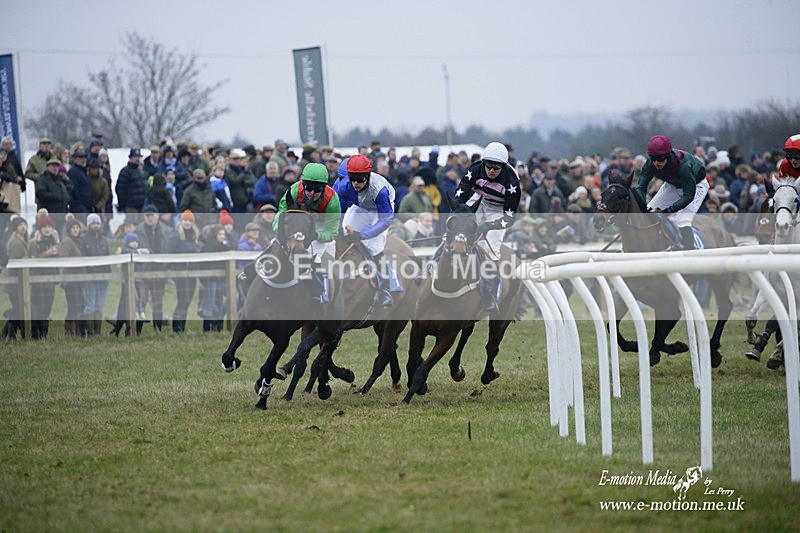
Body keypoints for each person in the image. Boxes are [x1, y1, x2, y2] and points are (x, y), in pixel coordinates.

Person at [454, 142, 522, 312]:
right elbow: (460, 197)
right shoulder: (475, 169)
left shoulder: (512, 181)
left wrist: (488, 226)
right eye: (489, 166)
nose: (491, 170)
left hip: (499, 210)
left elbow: (509, 219)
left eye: (496, 167)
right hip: (479, 200)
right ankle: (432, 267)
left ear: (503, 167)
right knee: (455, 232)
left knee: (491, 250)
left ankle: (490, 295)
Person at [333, 154, 396, 307]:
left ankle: (385, 289)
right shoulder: (343, 185)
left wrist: (362, 235)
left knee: (374, 247)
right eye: (351, 179)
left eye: (360, 179)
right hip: (361, 206)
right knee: (343, 233)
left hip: (381, 211)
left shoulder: (380, 191)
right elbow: (337, 212)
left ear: (367, 176)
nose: (355, 183)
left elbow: (386, 220)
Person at [274, 162, 341, 300]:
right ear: (303, 185)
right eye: (309, 188)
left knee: (314, 255)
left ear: (324, 188)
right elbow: (279, 216)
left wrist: (315, 235)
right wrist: (281, 233)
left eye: (317, 190)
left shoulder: (332, 200)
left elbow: (332, 232)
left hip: (319, 228)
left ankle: (318, 294)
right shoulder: (293, 191)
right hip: (295, 225)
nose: (311, 193)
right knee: (274, 244)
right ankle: (253, 272)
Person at [635, 135, 709, 250]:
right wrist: (640, 207)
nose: (656, 163)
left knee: (683, 220)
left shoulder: (684, 166)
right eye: (653, 159)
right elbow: (641, 187)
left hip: (696, 186)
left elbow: (688, 196)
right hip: (673, 185)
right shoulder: (650, 164)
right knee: (648, 212)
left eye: (660, 159)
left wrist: (668, 211)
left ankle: (690, 252)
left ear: (668, 155)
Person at [165, 210, 201, 333]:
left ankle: (181, 327)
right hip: (180, 273)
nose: (187, 223)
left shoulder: (194, 236)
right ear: (181, 221)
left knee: (187, 301)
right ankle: (177, 328)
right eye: (185, 220)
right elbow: (169, 252)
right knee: (182, 300)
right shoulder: (176, 235)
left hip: (192, 274)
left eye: (190, 220)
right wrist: (171, 271)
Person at [27, 214, 60, 339]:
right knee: (37, 310)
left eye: (50, 226)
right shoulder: (34, 243)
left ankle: (44, 335)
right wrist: (47, 253)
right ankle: (36, 335)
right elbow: (32, 261)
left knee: (47, 309)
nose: (47, 229)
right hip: (37, 283)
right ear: (40, 229)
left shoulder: (55, 241)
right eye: (45, 226)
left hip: (51, 281)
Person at [81, 213, 111, 336]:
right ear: (89, 225)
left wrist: (108, 275)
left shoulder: (104, 239)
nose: (96, 225)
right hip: (90, 277)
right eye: (93, 223)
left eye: (98, 223)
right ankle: (90, 331)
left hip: (103, 277)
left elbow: (107, 257)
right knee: (90, 306)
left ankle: (97, 331)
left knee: (99, 305)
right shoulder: (83, 239)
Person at [1, 216, 29, 340]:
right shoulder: (17, 242)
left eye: (25, 224)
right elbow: (14, 265)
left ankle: (8, 333)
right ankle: (8, 333)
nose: (23, 227)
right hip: (16, 282)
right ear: (16, 227)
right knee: (18, 309)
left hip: (17, 282)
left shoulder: (21, 239)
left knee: (18, 308)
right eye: (20, 225)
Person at [58, 217, 85, 336]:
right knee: (73, 306)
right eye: (73, 228)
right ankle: (69, 331)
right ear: (69, 229)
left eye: (77, 227)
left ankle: (78, 330)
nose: (76, 230)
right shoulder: (67, 241)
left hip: (79, 279)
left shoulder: (79, 240)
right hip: (70, 279)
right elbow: (63, 258)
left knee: (80, 304)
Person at [115, 148, 148, 216]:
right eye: (135, 157)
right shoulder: (125, 172)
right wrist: (123, 204)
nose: (137, 159)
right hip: (130, 207)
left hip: (142, 206)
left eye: (139, 157)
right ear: (130, 158)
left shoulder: (140, 172)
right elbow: (120, 189)